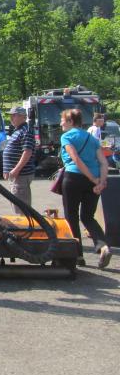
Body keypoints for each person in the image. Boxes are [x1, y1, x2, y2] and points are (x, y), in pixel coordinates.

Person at [59, 108, 112, 268]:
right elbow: (103, 162)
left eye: (62, 120)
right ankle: (103, 246)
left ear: (70, 121)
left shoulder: (67, 136)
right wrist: (100, 181)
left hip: (74, 178)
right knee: (88, 217)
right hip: (93, 181)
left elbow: (75, 159)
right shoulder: (92, 138)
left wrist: (92, 178)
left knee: (71, 217)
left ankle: (78, 256)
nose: (60, 123)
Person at [2, 106, 35, 213]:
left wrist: (15, 170)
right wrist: (7, 170)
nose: (11, 118)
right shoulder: (18, 130)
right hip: (16, 176)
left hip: (21, 176)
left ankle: (25, 228)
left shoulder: (26, 131)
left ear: (23, 117)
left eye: (14, 115)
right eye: (11, 115)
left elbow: (27, 152)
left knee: (20, 208)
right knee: (16, 205)